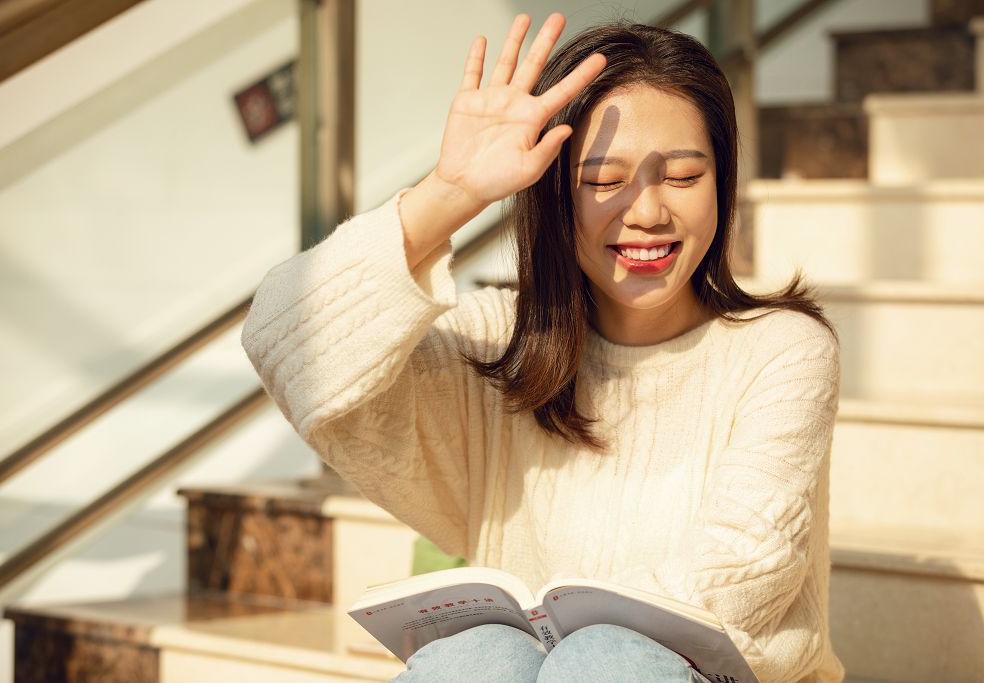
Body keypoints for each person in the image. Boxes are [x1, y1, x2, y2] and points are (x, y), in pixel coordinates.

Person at [242, 12, 845, 683]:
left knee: (605, 659)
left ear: (722, 183)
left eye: (681, 174)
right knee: (472, 659)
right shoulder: (501, 346)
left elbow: (742, 573)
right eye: (602, 180)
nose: (647, 212)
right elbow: (283, 339)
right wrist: (452, 193)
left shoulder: (782, 351)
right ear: (555, 193)